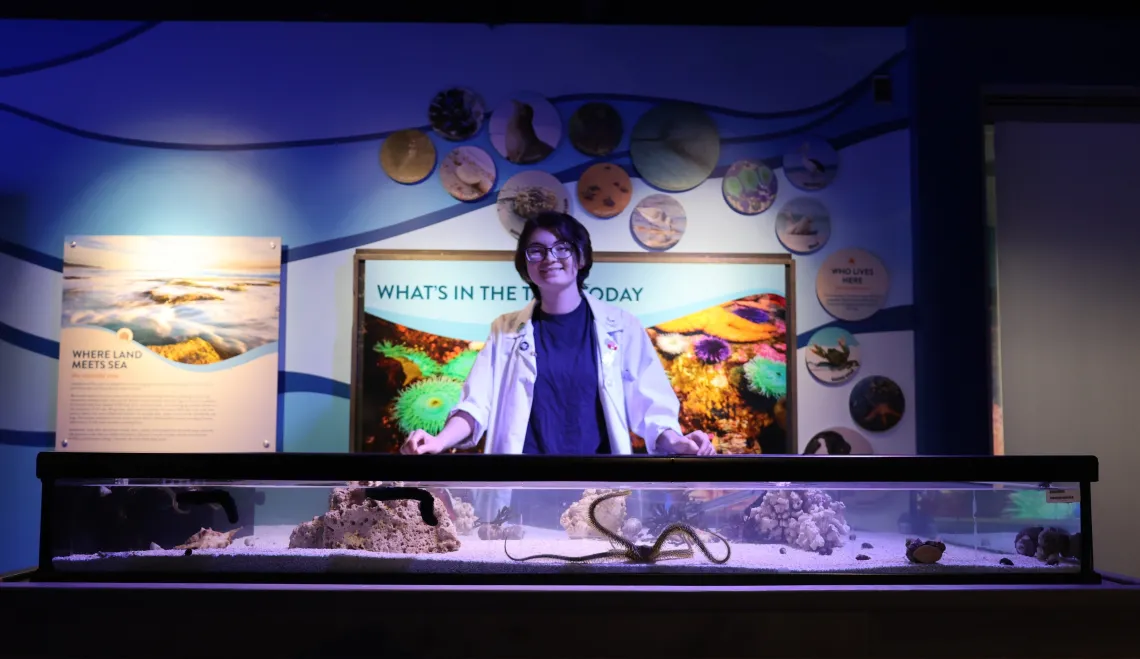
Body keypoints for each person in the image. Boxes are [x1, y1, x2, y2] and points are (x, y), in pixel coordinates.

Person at [400, 210, 715, 456]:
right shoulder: (505, 330)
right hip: (524, 488)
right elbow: (475, 404)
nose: (549, 258)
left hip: (600, 491)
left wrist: (677, 442)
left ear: (581, 258)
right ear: (526, 266)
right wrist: (438, 441)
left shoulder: (623, 326)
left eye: (561, 248)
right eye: (536, 251)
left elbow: (650, 405)